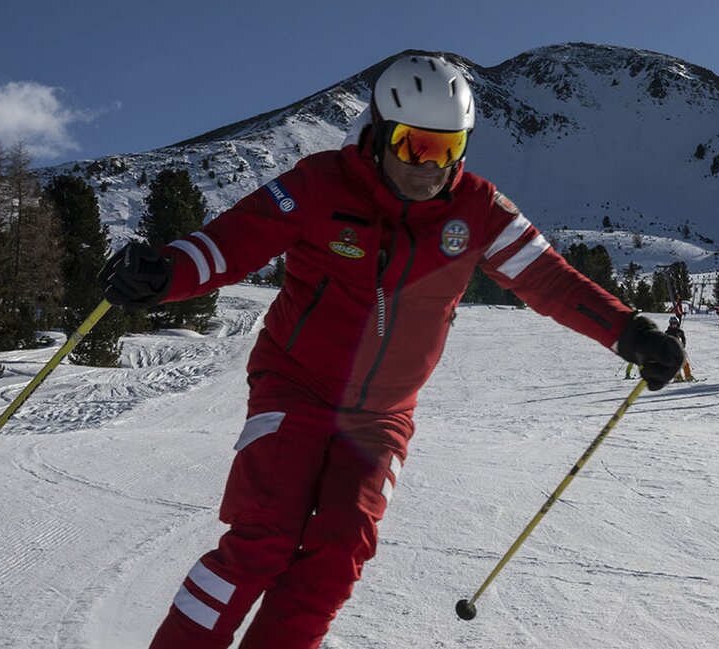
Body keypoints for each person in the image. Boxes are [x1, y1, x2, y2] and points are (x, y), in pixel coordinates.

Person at [98, 54, 686, 649]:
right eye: (412, 147)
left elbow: (551, 281)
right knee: (265, 536)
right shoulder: (318, 184)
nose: (428, 167)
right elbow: (234, 241)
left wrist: (631, 334)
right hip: (295, 385)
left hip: (382, 414)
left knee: (338, 552)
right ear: (378, 134)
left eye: (445, 148)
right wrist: (166, 273)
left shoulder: (478, 210)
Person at [665, 316, 695, 382]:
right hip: (671, 351)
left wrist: (683, 344)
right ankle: (678, 377)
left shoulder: (680, 331)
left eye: (675, 323)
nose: (674, 325)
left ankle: (688, 376)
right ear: (670, 323)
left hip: (679, 349)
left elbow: (683, 338)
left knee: (685, 363)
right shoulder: (667, 332)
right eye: (672, 323)